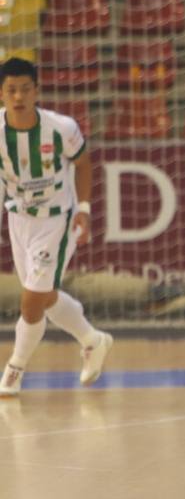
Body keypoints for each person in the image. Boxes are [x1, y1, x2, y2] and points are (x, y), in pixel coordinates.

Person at [0, 57, 113, 398]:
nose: (18, 97)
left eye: (24, 89)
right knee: (43, 296)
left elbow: (83, 163)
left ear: (36, 91)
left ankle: (14, 369)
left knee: (31, 301)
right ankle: (92, 340)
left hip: (56, 219)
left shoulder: (61, 127)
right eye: (11, 90)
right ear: (2, 93)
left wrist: (83, 208)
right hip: (19, 218)